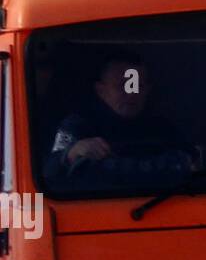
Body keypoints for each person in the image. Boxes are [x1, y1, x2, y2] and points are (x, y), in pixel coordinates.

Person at [45, 53, 195, 190]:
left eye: (138, 86)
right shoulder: (78, 126)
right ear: (101, 90)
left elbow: (193, 166)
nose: (131, 94)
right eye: (122, 86)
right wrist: (71, 153)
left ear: (148, 90)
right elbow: (47, 173)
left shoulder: (164, 129)